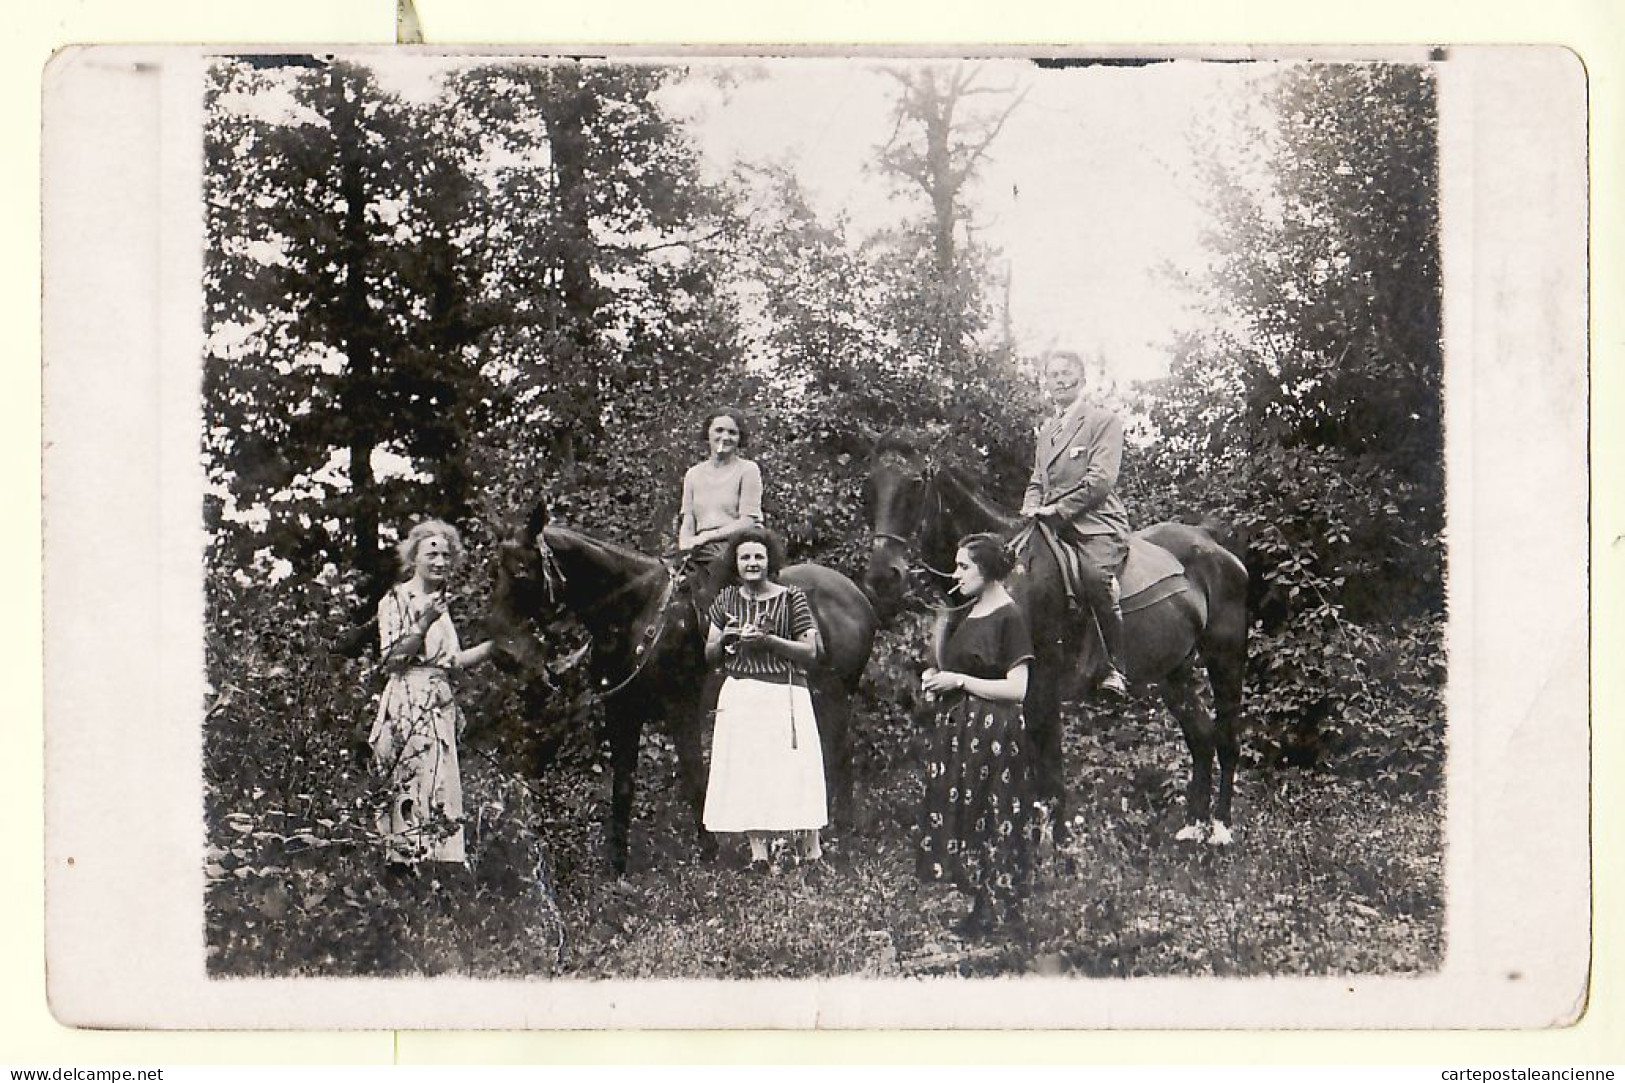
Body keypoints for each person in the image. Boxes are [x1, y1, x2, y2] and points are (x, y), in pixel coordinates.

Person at [918, 533, 1038, 937]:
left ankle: (999, 911)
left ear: (986, 570)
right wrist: (936, 678)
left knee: (993, 815)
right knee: (968, 817)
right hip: (961, 730)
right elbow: (960, 667)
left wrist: (960, 681)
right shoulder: (969, 612)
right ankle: (980, 905)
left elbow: (1017, 689)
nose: (957, 574)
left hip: (993, 732)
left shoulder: (1009, 616)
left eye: (964, 566)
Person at [369, 519, 493, 871]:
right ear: (414, 558)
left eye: (445, 555)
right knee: (412, 788)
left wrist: (496, 646)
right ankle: (406, 873)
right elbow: (392, 660)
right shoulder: (396, 599)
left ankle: (440, 876)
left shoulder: (439, 604)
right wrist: (423, 622)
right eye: (431, 554)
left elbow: (452, 662)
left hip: (438, 703)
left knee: (441, 788)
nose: (439, 562)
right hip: (408, 701)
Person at [702, 526, 825, 873]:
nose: (752, 563)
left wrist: (769, 641)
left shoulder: (792, 598)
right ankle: (759, 853)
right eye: (745, 558)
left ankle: (811, 851)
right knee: (748, 770)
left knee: (795, 769)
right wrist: (724, 638)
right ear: (736, 563)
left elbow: (809, 651)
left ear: (770, 560)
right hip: (741, 691)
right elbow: (710, 654)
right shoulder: (726, 600)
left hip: (784, 692)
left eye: (758, 556)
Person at [1020, 349, 1133, 698]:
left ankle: (1115, 667)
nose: (1059, 380)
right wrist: (1030, 506)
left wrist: (1057, 510)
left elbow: (1100, 481)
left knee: (1096, 578)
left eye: (1066, 373)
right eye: (1053, 374)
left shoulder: (1102, 421)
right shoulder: (1047, 431)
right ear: (1046, 384)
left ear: (1082, 379)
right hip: (1051, 525)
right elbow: (1038, 480)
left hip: (1096, 524)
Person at [678, 407, 764, 601]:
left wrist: (707, 537)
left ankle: (726, 625)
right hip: (701, 547)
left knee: (719, 568)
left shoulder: (748, 470)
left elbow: (748, 520)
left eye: (732, 433)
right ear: (707, 434)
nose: (725, 437)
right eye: (719, 430)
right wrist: (684, 543)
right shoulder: (693, 474)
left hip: (738, 543)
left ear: (739, 439)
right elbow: (688, 518)